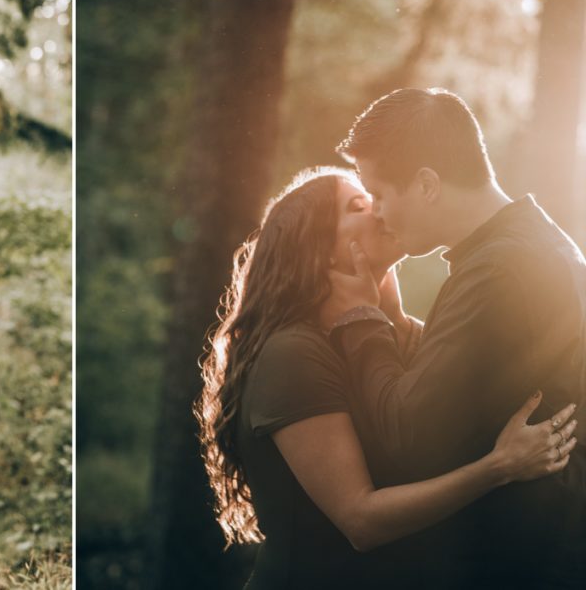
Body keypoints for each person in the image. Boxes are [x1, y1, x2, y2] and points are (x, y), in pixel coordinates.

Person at [196, 165, 576, 590]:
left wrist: (381, 310)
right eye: (360, 205)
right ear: (319, 249)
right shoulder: (293, 354)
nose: (380, 210)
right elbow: (361, 520)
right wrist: (498, 467)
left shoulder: (386, 339)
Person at [324, 87, 586, 587]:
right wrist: (397, 321)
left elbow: (407, 437)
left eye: (379, 194)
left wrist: (363, 318)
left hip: (517, 561)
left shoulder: (497, 270)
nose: (376, 213)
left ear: (426, 184)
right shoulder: (546, 243)